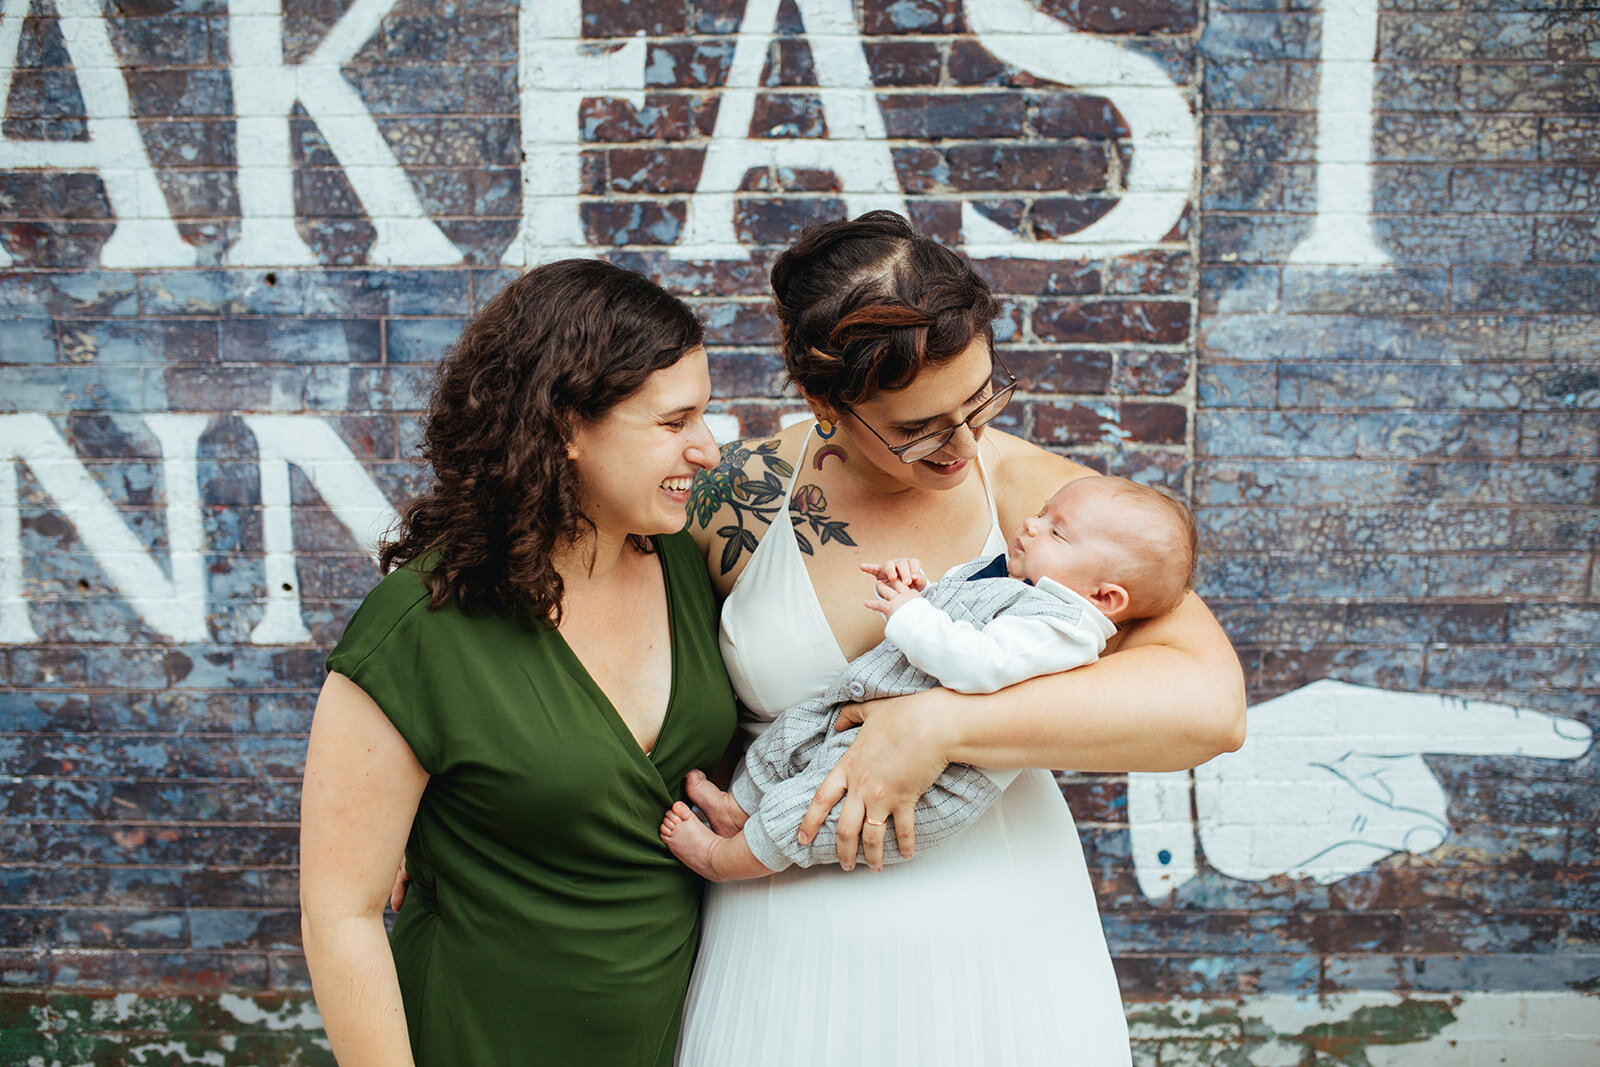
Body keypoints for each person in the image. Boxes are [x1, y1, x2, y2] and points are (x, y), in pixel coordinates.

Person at [676, 211, 1245, 1065]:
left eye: (981, 401)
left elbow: (1211, 707)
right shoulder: (734, 498)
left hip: (1003, 943)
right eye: (918, 428)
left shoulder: (1034, 500)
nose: (964, 442)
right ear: (825, 401)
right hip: (781, 936)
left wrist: (938, 726)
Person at [298, 260, 737, 1066]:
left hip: (673, 1034)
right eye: (676, 422)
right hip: (479, 1031)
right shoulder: (420, 629)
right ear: (568, 425)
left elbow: (839, 457)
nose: (709, 450)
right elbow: (341, 913)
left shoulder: (693, 560)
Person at [660, 475, 1196, 881]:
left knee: (814, 809)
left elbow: (979, 662)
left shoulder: (1064, 627)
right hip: (871, 713)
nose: (1032, 525)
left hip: (933, 784)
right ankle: (737, 806)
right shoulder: (1020, 581)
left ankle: (723, 858)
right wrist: (920, 588)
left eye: (1057, 531)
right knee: (794, 735)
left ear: (1105, 597)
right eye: (1041, 513)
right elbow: (957, 608)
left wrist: (909, 615)